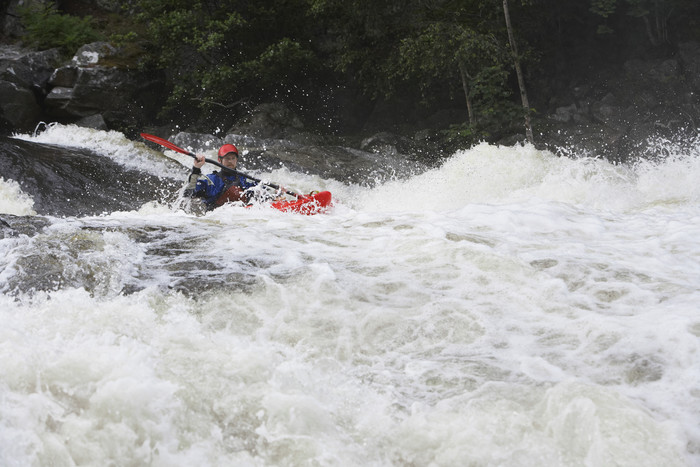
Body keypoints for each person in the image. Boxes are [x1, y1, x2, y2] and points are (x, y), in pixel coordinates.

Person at [184, 143, 258, 209]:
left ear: (236, 160)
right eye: (227, 158)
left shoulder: (244, 179)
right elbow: (188, 192)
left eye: (233, 158)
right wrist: (196, 168)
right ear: (219, 160)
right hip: (218, 220)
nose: (230, 161)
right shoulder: (212, 180)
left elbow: (261, 193)